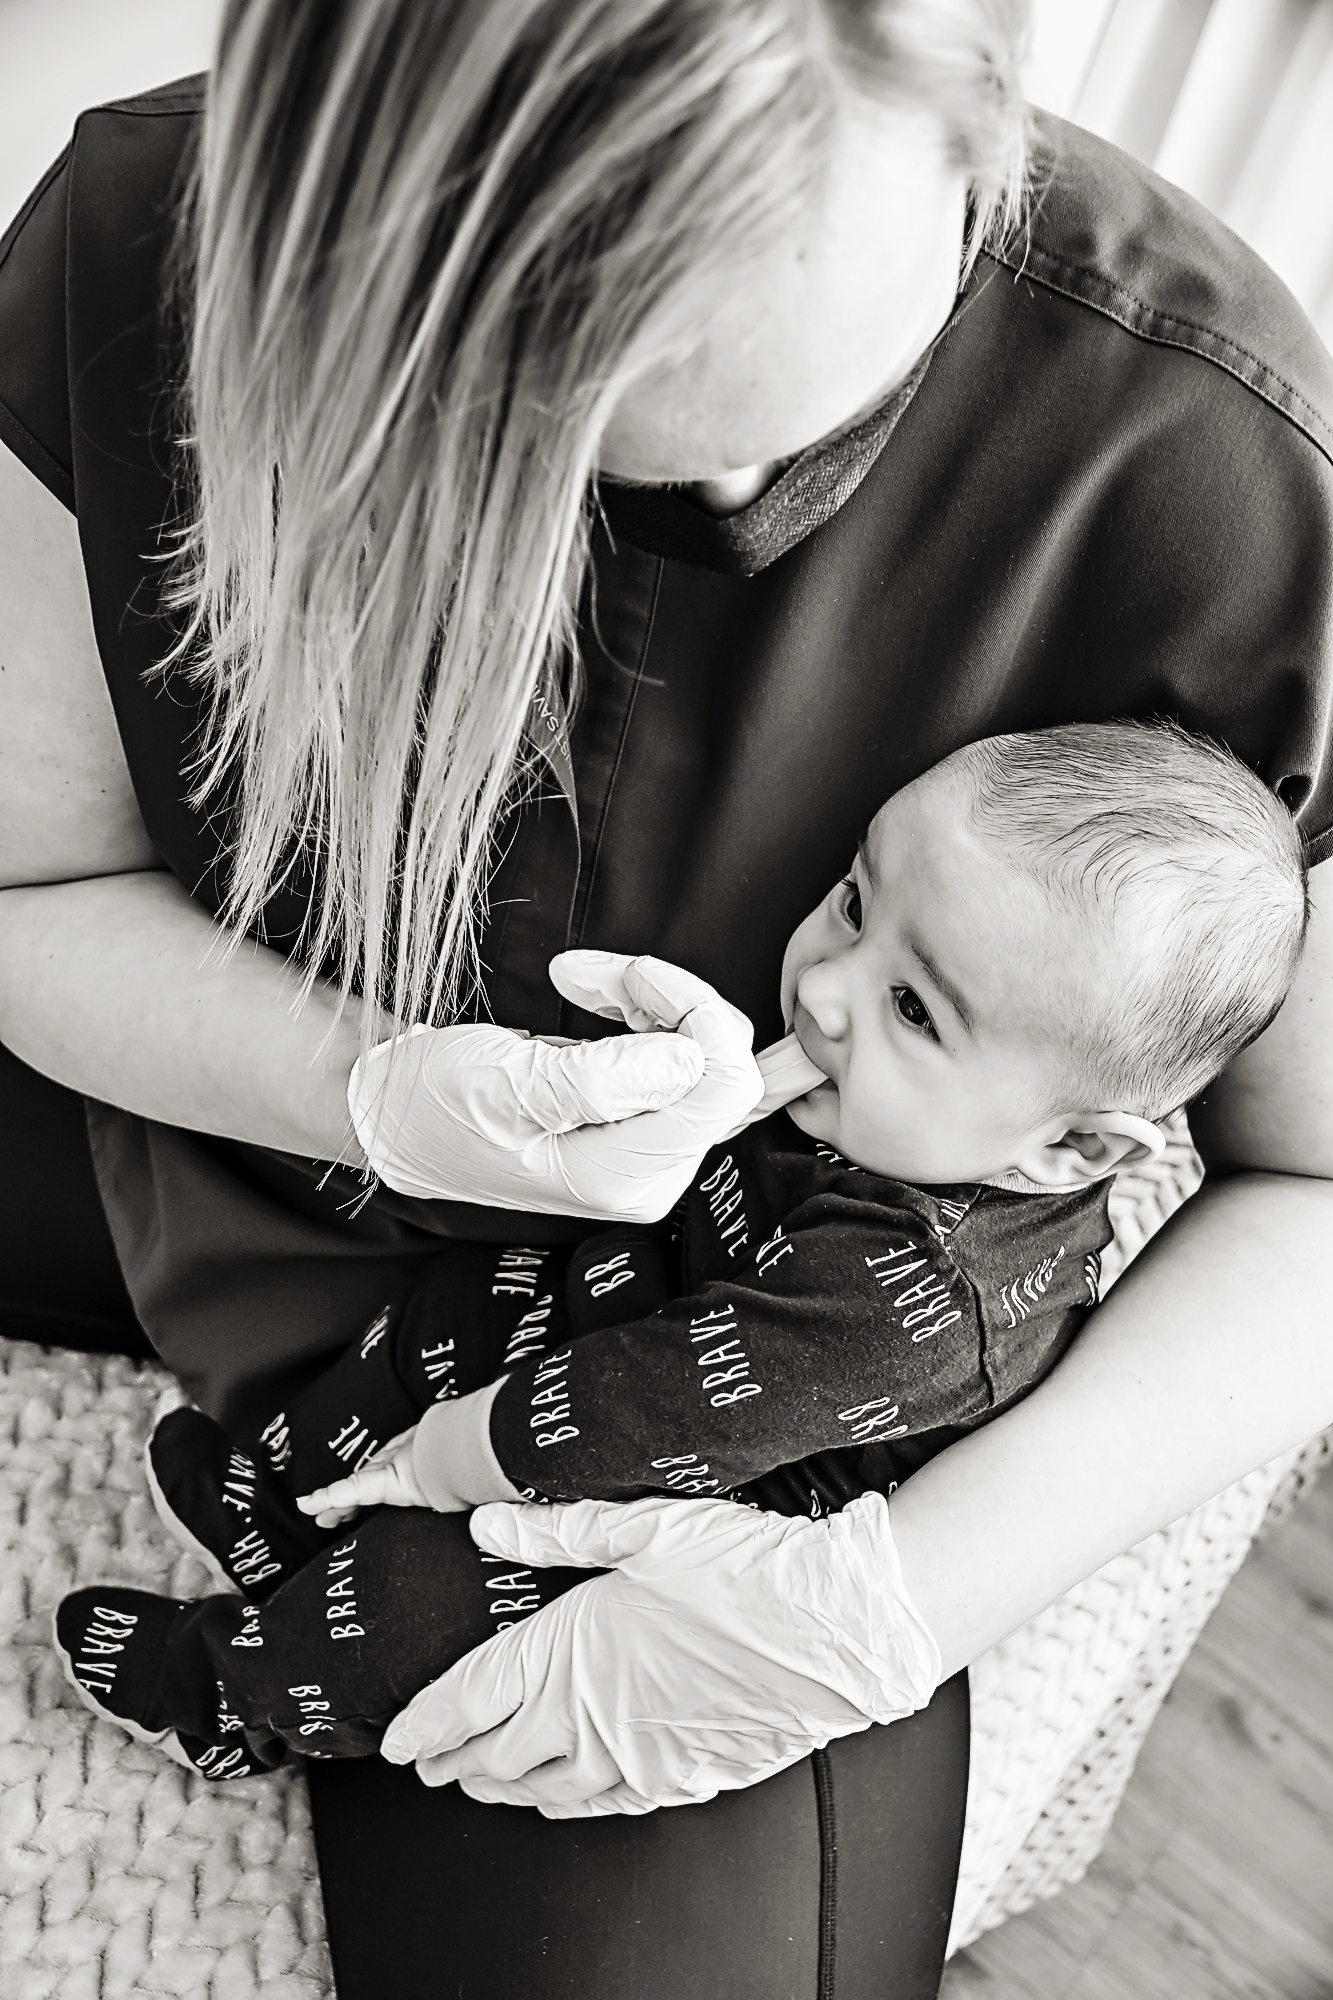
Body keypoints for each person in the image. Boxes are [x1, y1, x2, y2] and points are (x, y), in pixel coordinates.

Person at [1, 3, 1331, 1994]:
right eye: (547, 441)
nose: (695, 526)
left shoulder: (1214, 465)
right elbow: (33, 888)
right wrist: (364, 1085)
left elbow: (1317, 1196)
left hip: (709, 1404)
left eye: (780, 458)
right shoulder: (133, 236)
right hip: (153, 1139)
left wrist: (885, 1602)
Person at [51, 719, 1309, 1784]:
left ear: (1070, 1153)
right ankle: (288, 1513)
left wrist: (446, 1458)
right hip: (612, 1330)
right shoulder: (908, 1112)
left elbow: (642, 1414)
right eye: (857, 903)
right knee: (441, 1322)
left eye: (913, 1007)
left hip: (657, 1498)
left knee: (412, 1601)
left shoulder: (913, 1294)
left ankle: (233, 1700)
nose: (823, 989)